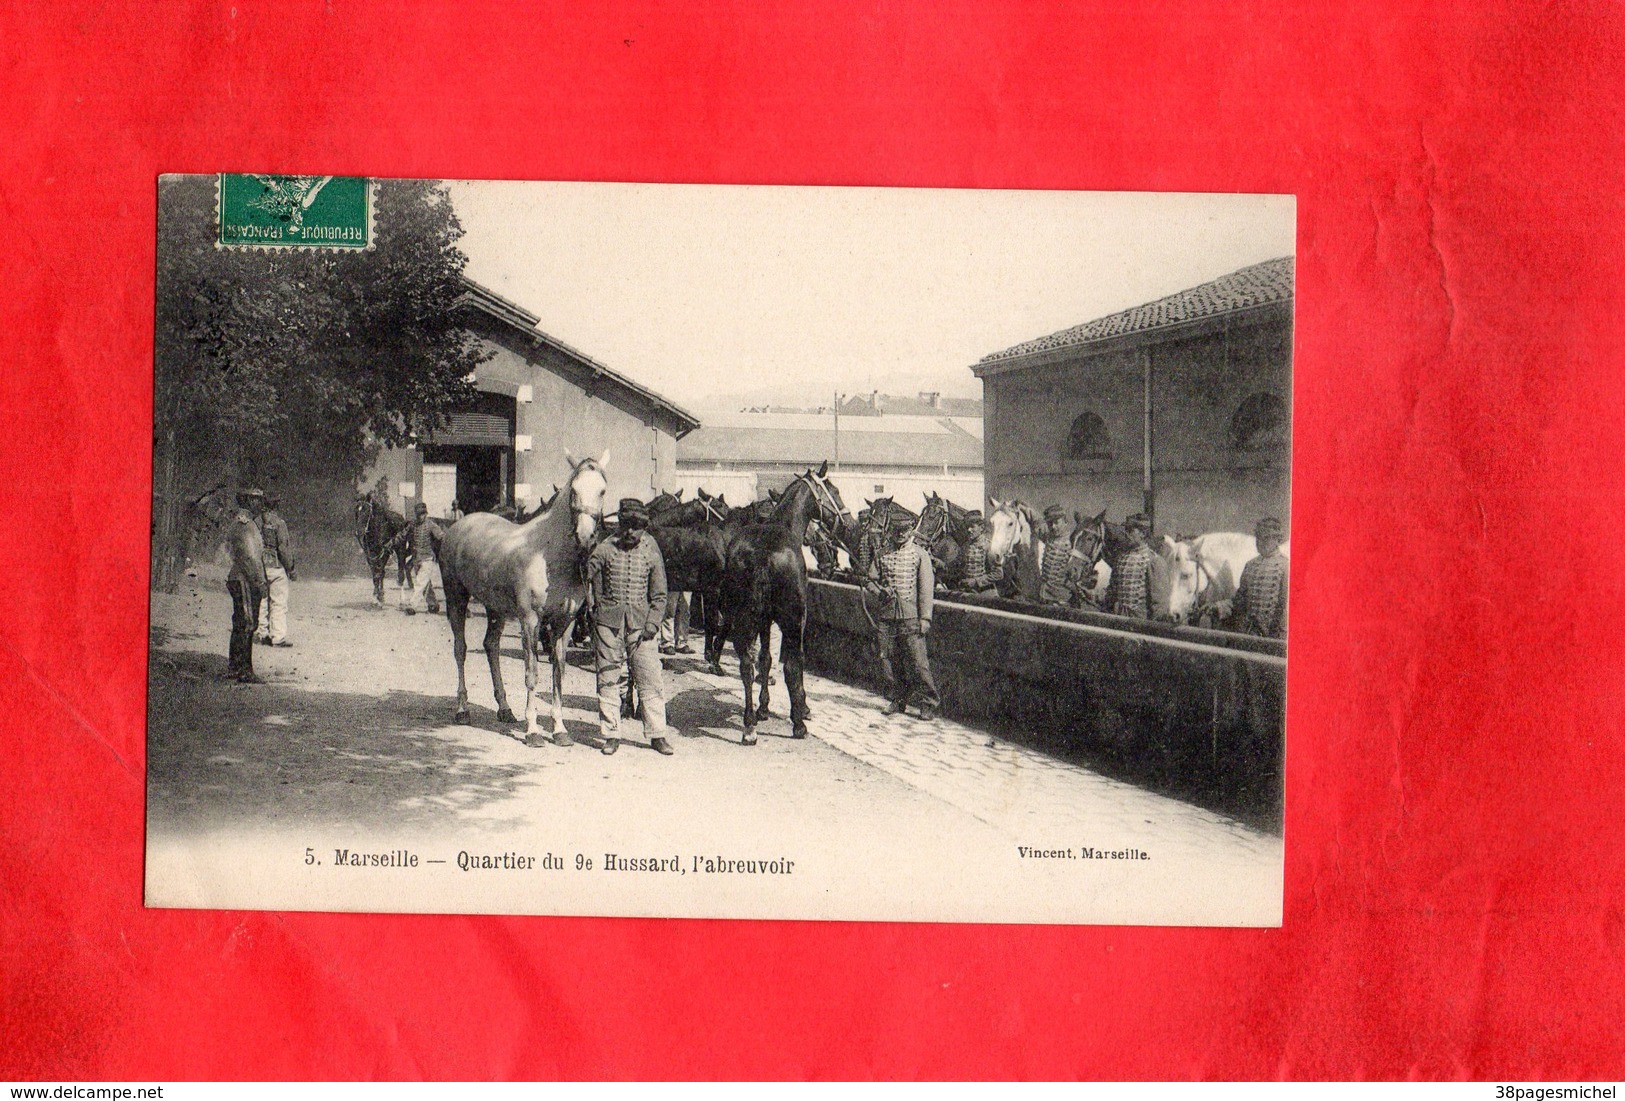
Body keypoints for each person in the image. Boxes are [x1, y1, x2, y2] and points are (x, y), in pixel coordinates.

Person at [587, 499, 673, 756]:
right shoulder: (605, 547)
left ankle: (657, 734)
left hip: (642, 626)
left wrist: (652, 623)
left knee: (650, 678)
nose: (630, 533)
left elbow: (660, 594)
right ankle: (611, 734)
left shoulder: (651, 549)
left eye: (637, 528)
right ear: (619, 525)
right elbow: (585, 573)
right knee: (608, 677)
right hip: (608, 624)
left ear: (644, 528)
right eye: (626, 526)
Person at [866, 519, 940, 720]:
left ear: (911, 531)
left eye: (905, 530)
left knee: (918, 662)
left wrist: (925, 618)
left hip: (911, 616)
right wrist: (880, 591)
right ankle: (898, 699)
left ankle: (928, 703)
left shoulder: (920, 555)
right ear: (891, 531)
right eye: (896, 530)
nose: (900, 534)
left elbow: (926, 589)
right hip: (887, 616)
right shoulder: (882, 554)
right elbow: (870, 579)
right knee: (889, 660)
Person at [224, 487, 268, 684]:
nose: (260, 504)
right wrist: (259, 582)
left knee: (240, 623)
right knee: (248, 623)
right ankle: (244, 670)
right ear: (249, 502)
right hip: (244, 579)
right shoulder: (246, 525)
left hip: (238, 576)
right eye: (257, 500)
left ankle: (235, 667)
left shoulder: (240, 523)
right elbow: (250, 557)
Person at [1222, 517, 1289, 638]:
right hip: (1248, 632)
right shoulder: (1250, 565)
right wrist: (1220, 606)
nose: (1260, 542)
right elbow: (1239, 599)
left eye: (1266, 538)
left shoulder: (1286, 566)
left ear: (1277, 540)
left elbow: (1285, 606)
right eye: (1258, 538)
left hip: (1273, 634)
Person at [1103, 513, 1170, 620]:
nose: (1126, 534)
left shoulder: (1154, 561)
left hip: (1141, 622)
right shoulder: (1121, 558)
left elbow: (1160, 602)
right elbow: (1112, 592)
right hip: (1118, 619)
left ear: (1143, 534)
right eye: (1125, 530)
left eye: (1130, 531)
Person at [256, 490, 297, 647]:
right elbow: (283, 548)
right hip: (276, 566)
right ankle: (278, 636)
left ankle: (262, 633)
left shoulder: (257, 522)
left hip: (260, 566)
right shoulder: (280, 523)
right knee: (279, 602)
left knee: (262, 600)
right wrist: (291, 568)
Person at [392, 502, 443, 615]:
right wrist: (392, 542)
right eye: (418, 514)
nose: (420, 516)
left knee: (420, 582)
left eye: (422, 514)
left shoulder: (431, 525)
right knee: (425, 584)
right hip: (416, 559)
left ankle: (412, 606)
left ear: (426, 513)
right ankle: (433, 604)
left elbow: (441, 536)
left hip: (427, 558)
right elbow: (402, 534)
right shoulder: (412, 525)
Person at [1037, 504, 1078, 605]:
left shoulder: (1073, 543)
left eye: (1056, 522)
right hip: (1043, 595)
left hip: (1062, 598)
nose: (1053, 527)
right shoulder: (1048, 538)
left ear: (1065, 522)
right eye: (1049, 524)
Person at [956, 512, 999, 593]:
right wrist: (939, 563)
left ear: (981, 528)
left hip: (985, 591)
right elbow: (956, 567)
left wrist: (976, 581)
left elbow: (998, 573)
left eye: (972, 527)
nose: (969, 530)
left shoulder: (989, 546)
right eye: (967, 527)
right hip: (967, 591)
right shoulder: (965, 546)